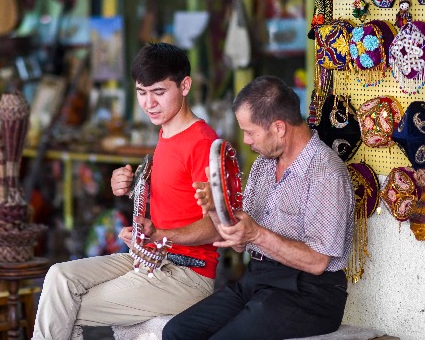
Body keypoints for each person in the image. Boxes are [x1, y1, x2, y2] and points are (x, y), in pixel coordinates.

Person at [32, 42, 222, 340]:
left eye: (159, 92)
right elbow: (176, 195)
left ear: (185, 86)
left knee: (67, 306)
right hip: (151, 258)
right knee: (59, 276)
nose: (149, 104)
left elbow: (217, 228)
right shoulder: (167, 132)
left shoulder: (202, 143)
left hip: (187, 274)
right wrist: (131, 185)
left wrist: (158, 235)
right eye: (141, 93)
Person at [163, 75, 354, 340]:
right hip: (259, 278)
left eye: (250, 132)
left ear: (279, 128)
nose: (247, 140)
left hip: (311, 293)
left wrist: (256, 234)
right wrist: (216, 209)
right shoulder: (264, 165)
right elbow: (241, 242)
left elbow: (318, 261)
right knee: (177, 332)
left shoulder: (326, 171)